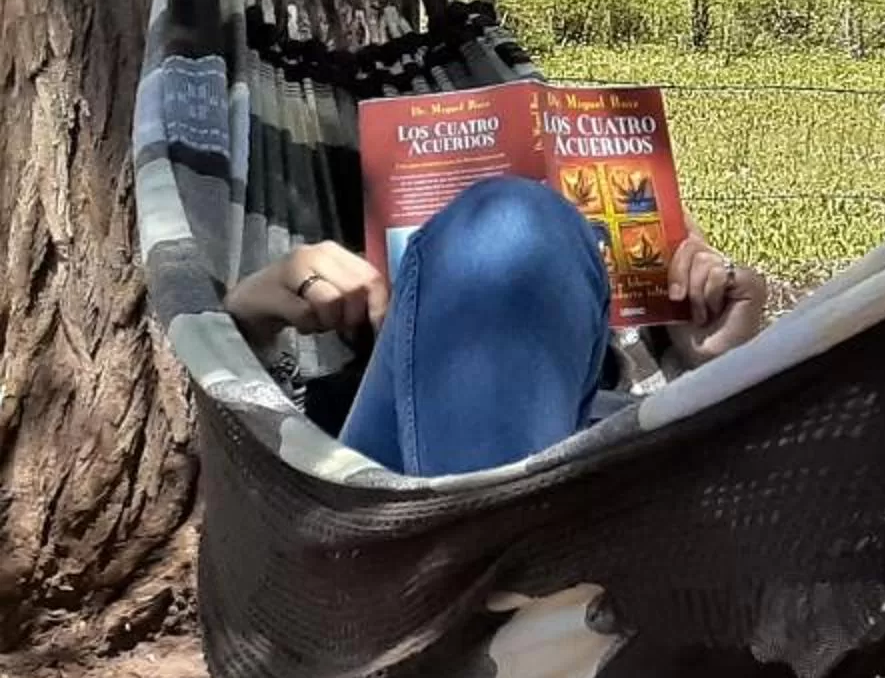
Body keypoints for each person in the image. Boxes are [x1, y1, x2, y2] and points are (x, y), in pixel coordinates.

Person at [224, 178, 766, 476]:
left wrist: (721, 367)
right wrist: (251, 322)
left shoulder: (636, 353)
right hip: (394, 525)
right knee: (509, 223)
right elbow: (274, 480)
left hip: (617, 493)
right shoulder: (364, 373)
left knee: (514, 224)